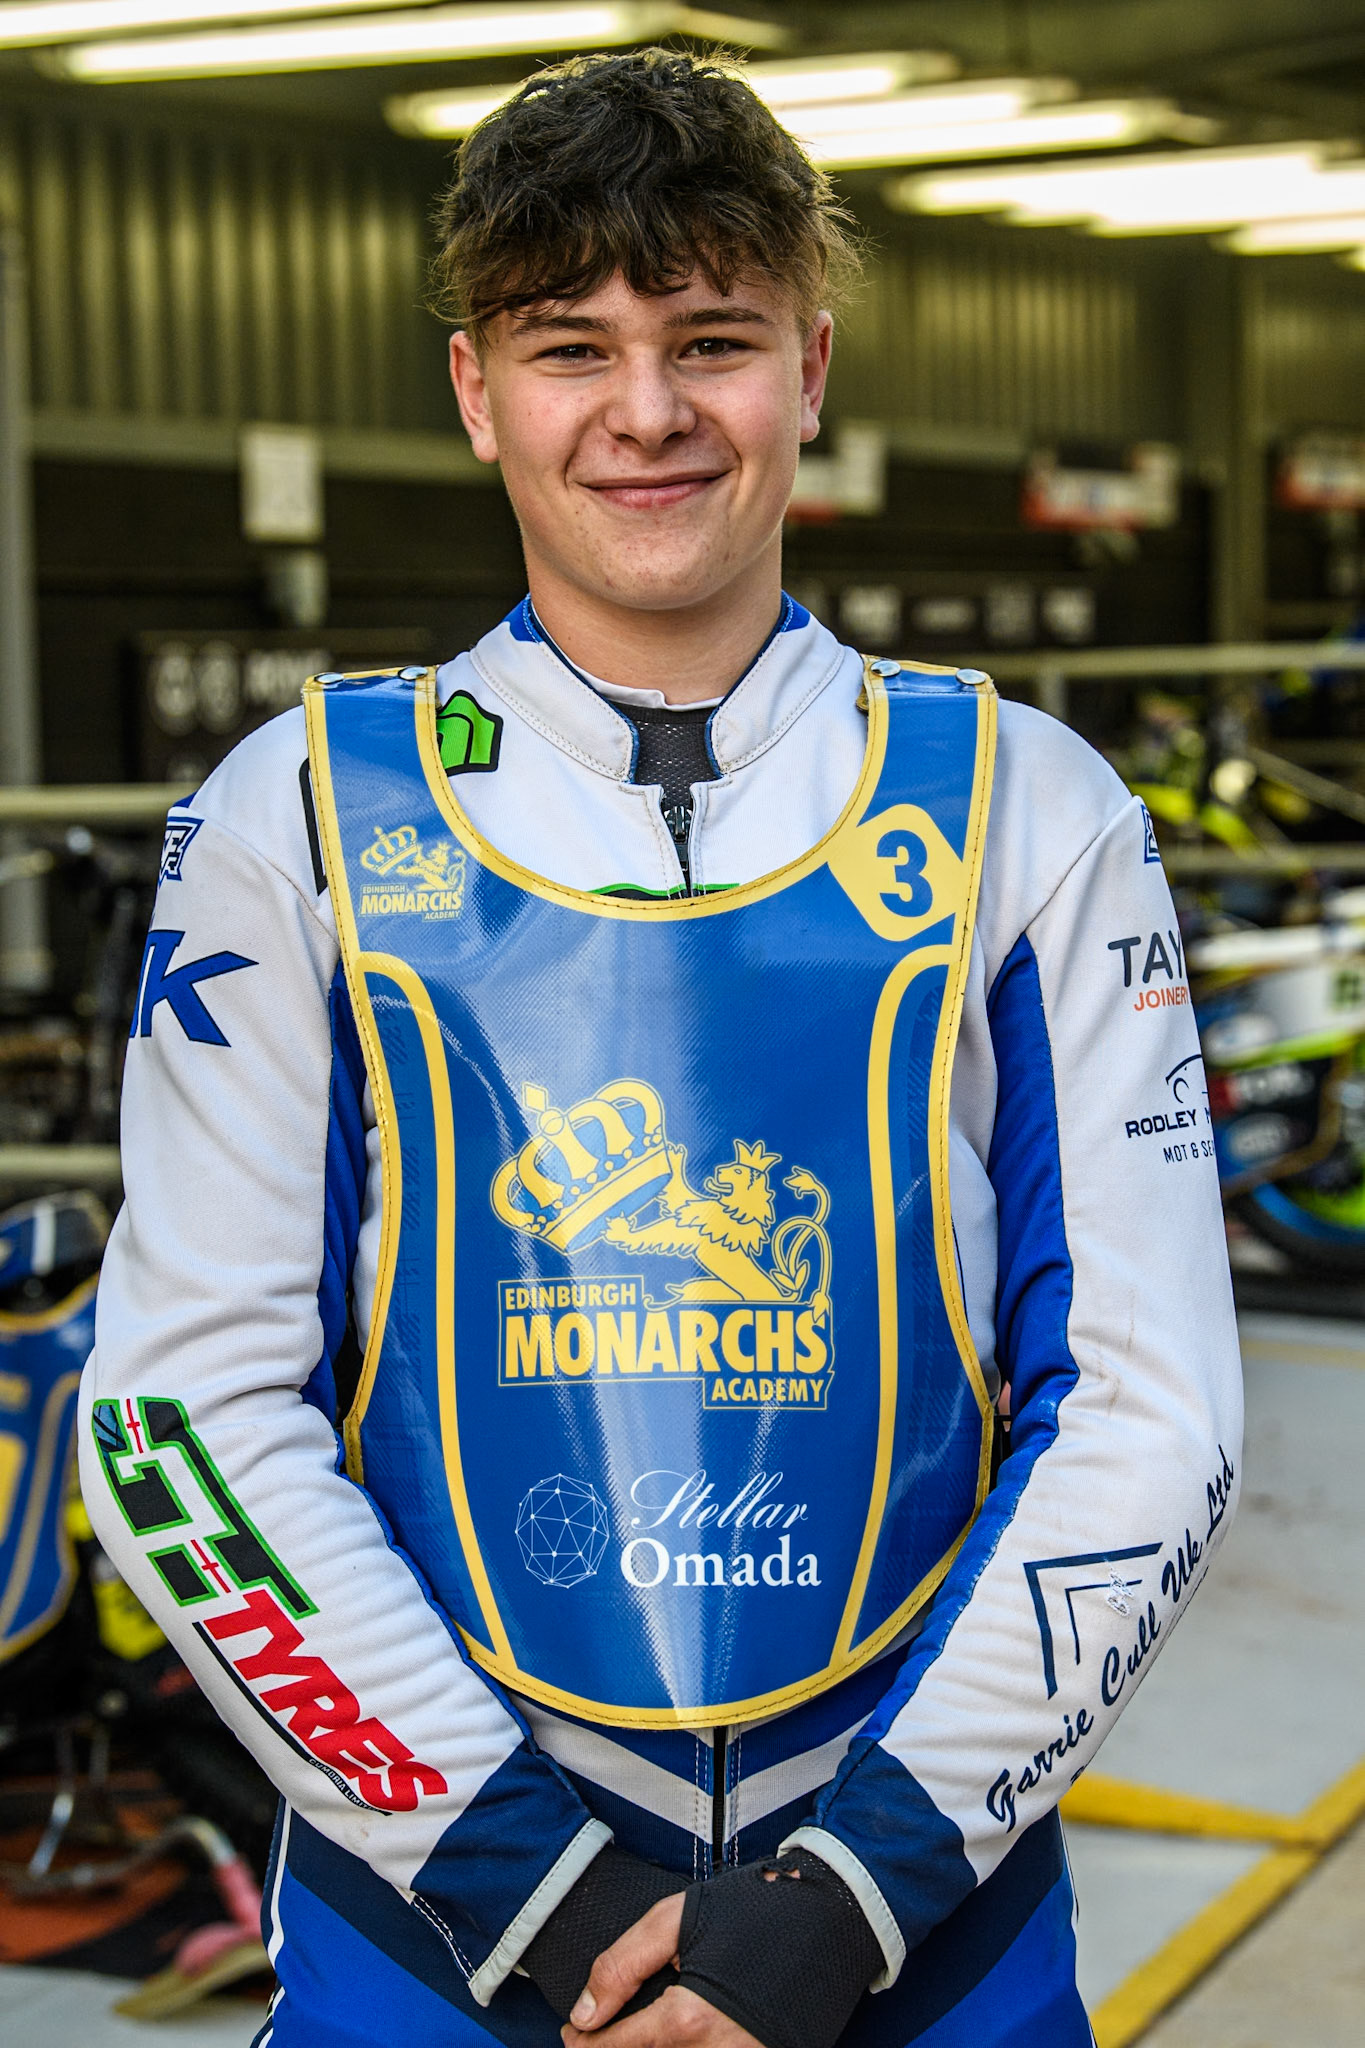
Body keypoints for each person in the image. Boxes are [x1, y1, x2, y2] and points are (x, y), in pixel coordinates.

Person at [81, 47, 1243, 2048]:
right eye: (566, 346)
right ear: (473, 390)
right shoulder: (293, 817)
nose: (641, 412)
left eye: (708, 339)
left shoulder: (1027, 806)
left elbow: (1149, 1403)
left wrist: (849, 1894)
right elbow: (184, 1408)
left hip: (921, 1917)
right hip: (439, 1918)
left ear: (806, 369)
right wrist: (522, 1884)